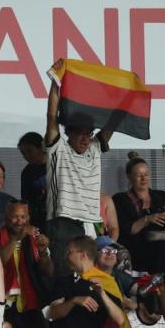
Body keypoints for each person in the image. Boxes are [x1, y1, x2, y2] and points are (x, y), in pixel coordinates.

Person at [44, 58, 114, 276]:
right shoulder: (59, 149)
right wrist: (55, 83)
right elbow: (51, 117)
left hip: (90, 223)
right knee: (65, 277)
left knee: (90, 278)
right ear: (69, 134)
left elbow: (112, 122)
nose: (86, 138)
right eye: (81, 133)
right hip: (63, 222)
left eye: (89, 133)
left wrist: (125, 94)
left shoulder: (94, 149)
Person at [112, 155, 165, 309]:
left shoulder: (162, 196)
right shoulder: (120, 200)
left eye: (146, 174)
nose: (143, 178)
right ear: (129, 177)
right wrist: (148, 219)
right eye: (139, 175)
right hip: (139, 247)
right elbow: (127, 230)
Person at [46, 236, 125, 328]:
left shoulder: (105, 282)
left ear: (82, 255)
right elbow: (53, 313)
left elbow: (120, 319)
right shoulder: (63, 282)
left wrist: (102, 293)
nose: (66, 256)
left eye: (69, 252)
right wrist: (74, 301)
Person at [0, 201, 53, 328]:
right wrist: (16, 238)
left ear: (28, 217)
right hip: (8, 303)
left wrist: (42, 252)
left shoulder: (35, 237)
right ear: (6, 218)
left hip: (33, 301)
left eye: (23, 216)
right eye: (14, 217)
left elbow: (48, 271)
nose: (19, 221)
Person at [18, 131, 48, 228]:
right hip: (38, 220)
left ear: (41, 148)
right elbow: (26, 200)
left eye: (30, 151)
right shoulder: (27, 172)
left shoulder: (56, 166)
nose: (26, 156)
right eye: (23, 153)